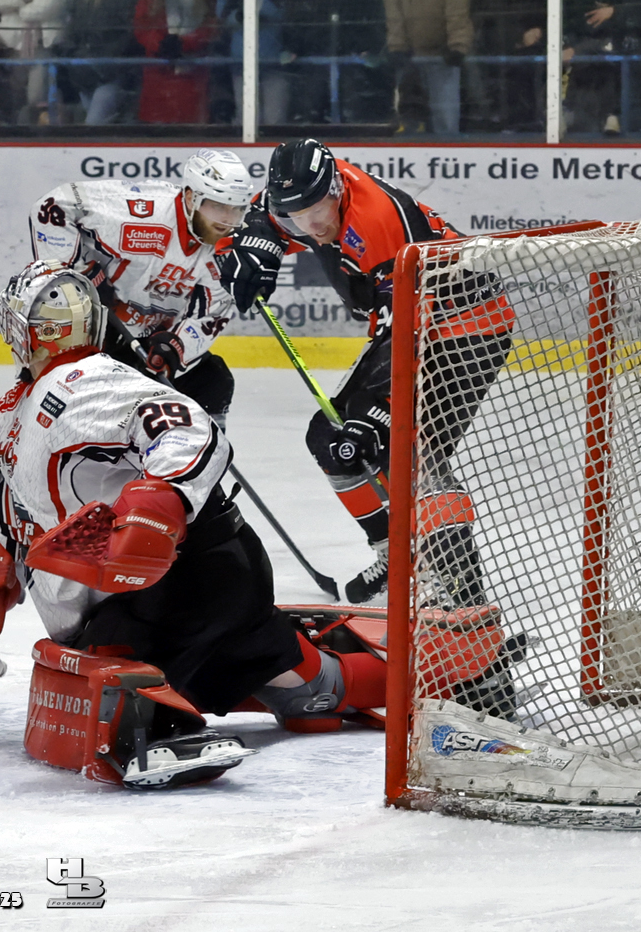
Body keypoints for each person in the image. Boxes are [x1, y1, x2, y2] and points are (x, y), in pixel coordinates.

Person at [0, 259, 391, 787]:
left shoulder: (88, 381)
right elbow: (9, 504)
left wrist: (159, 504)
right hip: (166, 595)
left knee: (116, 669)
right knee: (304, 683)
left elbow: (189, 428)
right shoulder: (8, 413)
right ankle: (382, 674)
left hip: (180, 587)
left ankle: (419, 673)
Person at [216, 139, 512, 608]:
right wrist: (252, 247)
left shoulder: (379, 222)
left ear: (336, 188)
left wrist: (378, 409)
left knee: (409, 453)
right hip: (407, 326)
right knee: (331, 438)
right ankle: (396, 555)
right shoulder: (309, 197)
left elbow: (410, 332)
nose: (311, 228)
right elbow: (261, 212)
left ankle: (462, 594)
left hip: (467, 330)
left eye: (317, 211)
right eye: (297, 217)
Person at [27, 149, 252, 427]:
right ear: (191, 197)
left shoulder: (234, 254)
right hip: (96, 333)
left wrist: (174, 348)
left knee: (213, 379)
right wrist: (79, 279)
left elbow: (210, 317)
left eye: (236, 210)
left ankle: (196, 452)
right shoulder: (141, 211)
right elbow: (52, 207)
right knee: (76, 394)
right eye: (218, 206)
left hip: (147, 344)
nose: (226, 220)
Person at [286, 0, 387, 124]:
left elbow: (372, 8)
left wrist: (368, 44)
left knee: (353, 109)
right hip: (315, 49)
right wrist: (293, 45)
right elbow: (296, 9)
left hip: (352, 51)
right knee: (311, 108)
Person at [381, 0, 473, 134]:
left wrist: (457, 45)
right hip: (408, 58)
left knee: (446, 124)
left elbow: (457, 4)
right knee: (408, 126)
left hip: (443, 56)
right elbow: (392, 6)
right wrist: (397, 46)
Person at [562, 0, 641, 134]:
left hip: (612, 38)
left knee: (606, 64)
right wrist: (569, 43)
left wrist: (614, 11)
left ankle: (611, 115)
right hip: (581, 39)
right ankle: (570, 113)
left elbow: (636, 6)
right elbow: (567, 13)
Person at [134, 0, 218, 123]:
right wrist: (161, 44)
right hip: (159, 68)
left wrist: (185, 43)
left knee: (189, 125)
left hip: (193, 69)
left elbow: (212, 24)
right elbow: (141, 25)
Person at [471, 0, 548, 132]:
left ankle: (541, 119)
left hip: (547, 39)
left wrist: (543, 32)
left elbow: (563, 9)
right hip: (511, 40)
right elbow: (495, 11)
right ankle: (509, 119)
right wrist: (519, 36)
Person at [61, 0, 141, 125]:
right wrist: (73, 56)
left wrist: (102, 65)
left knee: (92, 126)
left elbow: (127, 34)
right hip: (82, 75)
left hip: (113, 74)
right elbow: (73, 28)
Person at [217, 0, 295, 126]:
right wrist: (239, 17)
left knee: (275, 120)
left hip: (276, 56)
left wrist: (262, 7)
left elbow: (291, 11)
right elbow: (222, 12)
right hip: (241, 56)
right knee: (247, 119)